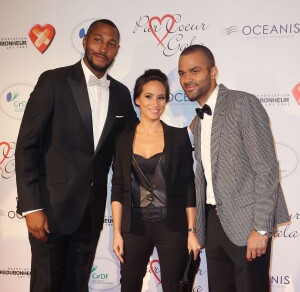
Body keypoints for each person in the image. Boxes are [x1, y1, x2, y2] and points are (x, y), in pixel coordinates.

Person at [15, 19, 137, 292]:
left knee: (77, 286)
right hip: (49, 210)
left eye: (111, 43)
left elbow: (132, 142)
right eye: (97, 40)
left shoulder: (120, 94)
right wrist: (31, 207)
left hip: (90, 215)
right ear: (85, 41)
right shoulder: (54, 80)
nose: (103, 48)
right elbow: (26, 146)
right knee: (46, 286)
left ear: (117, 50)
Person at [178, 44, 289, 292]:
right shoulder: (197, 122)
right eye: (182, 73)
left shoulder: (242, 104)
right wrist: (196, 229)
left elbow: (267, 168)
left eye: (194, 71)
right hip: (214, 223)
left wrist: (260, 228)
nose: (187, 79)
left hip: (247, 223)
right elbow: (203, 179)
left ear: (213, 71)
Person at [111, 69, 201, 292]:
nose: (155, 103)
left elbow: (188, 185)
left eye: (161, 97)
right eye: (149, 96)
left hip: (172, 226)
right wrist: (116, 233)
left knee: (175, 287)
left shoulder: (178, 136)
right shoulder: (123, 139)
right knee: (129, 285)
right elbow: (118, 187)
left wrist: (191, 231)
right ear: (137, 99)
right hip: (134, 227)